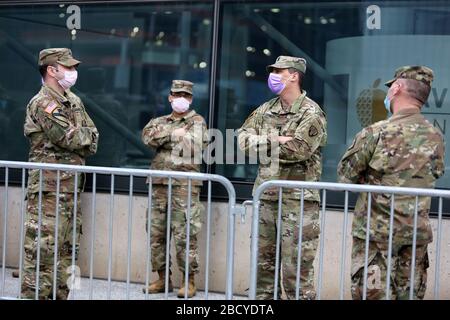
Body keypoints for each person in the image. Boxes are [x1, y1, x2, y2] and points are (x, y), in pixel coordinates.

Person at [337, 66, 445, 300]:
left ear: (397, 88)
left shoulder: (376, 132)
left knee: (371, 295)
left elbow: (346, 175)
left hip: (376, 237)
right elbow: (434, 173)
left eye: (390, 88)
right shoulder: (436, 137)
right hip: (415, 236)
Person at [238, 56, 327, 299]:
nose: (273, 75)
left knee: (296, 272)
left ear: (294, 76)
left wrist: (263, 145)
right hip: (266, 198)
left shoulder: (311, 112)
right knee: (263, 269)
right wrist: (275, 140)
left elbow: (299, 150)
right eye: (273, 71)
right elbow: (242, 141)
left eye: (279, 71)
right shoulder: (266, 109)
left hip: (298, 203)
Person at [22, 48, 99, 299]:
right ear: (51, 70)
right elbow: (68, 137)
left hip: (70, 190)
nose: (73, 72)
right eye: (68, 67)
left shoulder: (73, 100)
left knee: (67, 254)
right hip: (48, 192)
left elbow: (94, 136)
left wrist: (83, 136)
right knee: (42, 255)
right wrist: (83, 136)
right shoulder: (43, 102)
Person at [141, 80, 208, 298]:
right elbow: (147, 137)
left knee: (185, 234)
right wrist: (173, 135)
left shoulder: (198, 121)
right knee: (156, 233)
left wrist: (168, 138)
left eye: (186, 96)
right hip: (159, 185)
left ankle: (189, 282)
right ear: (170, 97)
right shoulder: (159, 121)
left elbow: (194, 146)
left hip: (185, 188)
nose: (181, 98)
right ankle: (162, 280)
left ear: (191, 99)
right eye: (177, 94)